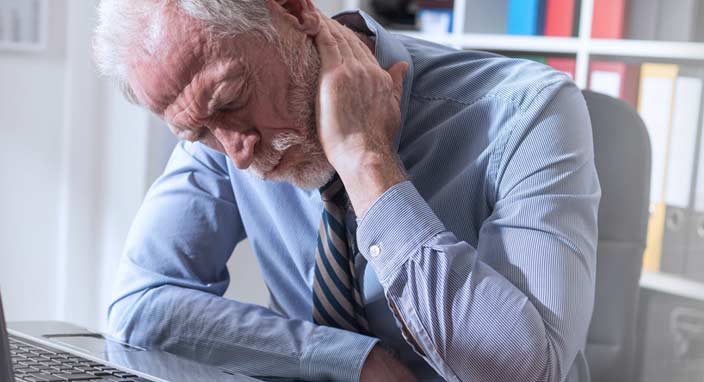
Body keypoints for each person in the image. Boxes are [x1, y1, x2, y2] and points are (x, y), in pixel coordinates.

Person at [93, 1, 600, 381]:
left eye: (232, 99)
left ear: (292, 11)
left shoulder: (529, 110)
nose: (236, 151)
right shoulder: (216, 128)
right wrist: (346, 361)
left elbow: (526, 371)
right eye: (197, 133)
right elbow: (140, 303)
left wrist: (366, 159)